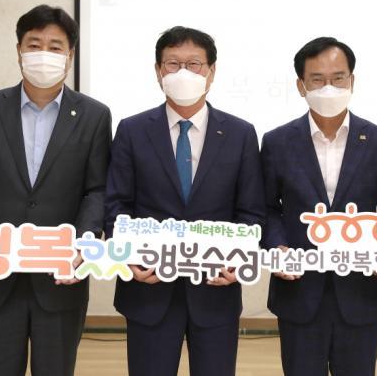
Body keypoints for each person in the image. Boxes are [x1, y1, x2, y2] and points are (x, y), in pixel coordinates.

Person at [0, 4, 112, 376]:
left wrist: (83, 244)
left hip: (61, 277)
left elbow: (97, 191)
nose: (43, 54)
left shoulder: (94, 115)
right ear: (19, 50)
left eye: (55, 46)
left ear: (70, 55)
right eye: (34, 45)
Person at [104, 26, 265, 376]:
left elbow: (251, 210)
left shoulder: (240, 134)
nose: (183, 73)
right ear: (158, 71)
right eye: (173, 64)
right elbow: (116, 204)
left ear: (211, 71)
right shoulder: (132, 130)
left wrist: (239, 258)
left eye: (194, 64)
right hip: (148, 289)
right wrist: (127, 254)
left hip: (215, 289)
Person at [260, 37, 377, 375]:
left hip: (360, 291)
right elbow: (266, 207)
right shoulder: (277, 142)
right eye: (317, 79)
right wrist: (277, 246)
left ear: (352, 81)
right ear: (301, 85)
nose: (329, 88)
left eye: (338, 78)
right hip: (298, 291)